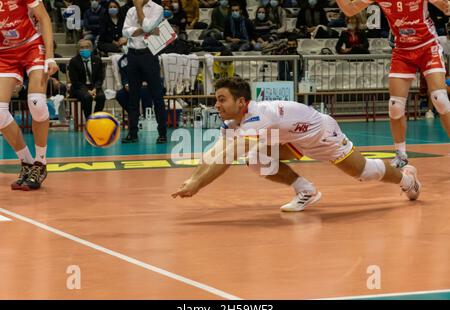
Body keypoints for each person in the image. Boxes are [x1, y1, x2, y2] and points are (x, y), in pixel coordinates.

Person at [172, 77, 422, 211]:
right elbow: (217, 152)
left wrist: (198, 184)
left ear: (241, 102)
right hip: (292, 138)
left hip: (320, 134)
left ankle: (407, 179)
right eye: (216, 99)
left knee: (364, 173)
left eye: (221, 99)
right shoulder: (234, 120)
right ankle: (307, 191)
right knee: (257, 160)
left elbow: (228, 157)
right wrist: (193, 178)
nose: (217, 105)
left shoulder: (258, 116)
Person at [336, 0, 450, 168]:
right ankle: (401, 154)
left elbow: (446, 8)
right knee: (395, 105)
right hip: (402, 51)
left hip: (427, 47)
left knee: (439, 98)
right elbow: (350, 9)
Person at [0, 0, 58, 191]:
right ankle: (26, 163)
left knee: (36, 102)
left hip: (31, 46)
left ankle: (40, 164)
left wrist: (50, 56)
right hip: (4, 53)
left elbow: (44, 18)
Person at [122, 0, 168, 144]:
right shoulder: (130, 11)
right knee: (133, 97)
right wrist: (144, 30)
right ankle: (132, 133)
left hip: (149, 54)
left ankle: (162, 133)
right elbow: (125, 32)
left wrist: (138, 7)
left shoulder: (157, 8)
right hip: (132, 54)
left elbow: (148, 25)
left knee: (157, 96)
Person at [69, 39, 106, 120]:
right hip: (79, 87)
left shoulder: (97, 60)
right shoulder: (73, 61)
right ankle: (88, 119)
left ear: (91, 49)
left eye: (87, 47)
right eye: (82, 47)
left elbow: (100, 78)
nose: (84, 49)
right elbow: (74, 81)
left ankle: (95, 119)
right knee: (87, 97)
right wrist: (87, 90)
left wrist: (95, 89)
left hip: (94, 87)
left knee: (101, 97)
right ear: (78, 50)